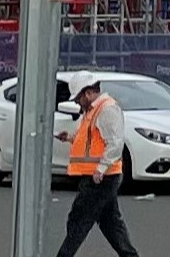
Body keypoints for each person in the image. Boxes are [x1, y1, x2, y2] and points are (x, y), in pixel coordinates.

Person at [56, 80, 139, 257]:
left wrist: (101, 169)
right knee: (111, 224)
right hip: (100, 175)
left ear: (87, 94)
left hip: (101, 177)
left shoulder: (107, 109)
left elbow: (115, 143)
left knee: (79, 220)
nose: (76, 102)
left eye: (78, 98)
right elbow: (92, 140)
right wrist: (70, 138)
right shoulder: (93, 110)